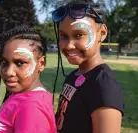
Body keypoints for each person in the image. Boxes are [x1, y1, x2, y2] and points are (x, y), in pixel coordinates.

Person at [52, 0, 124, 133]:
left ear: (102, 33)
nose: (68, 45)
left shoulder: (104, 87)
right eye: (63, 36)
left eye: (79, 35)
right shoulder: (73, 76)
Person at [0, 25, 56, 133]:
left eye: (20, 63)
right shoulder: (22, 94)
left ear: (41, 63)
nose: (8, 72)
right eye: (4, 62)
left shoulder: (31, 108)